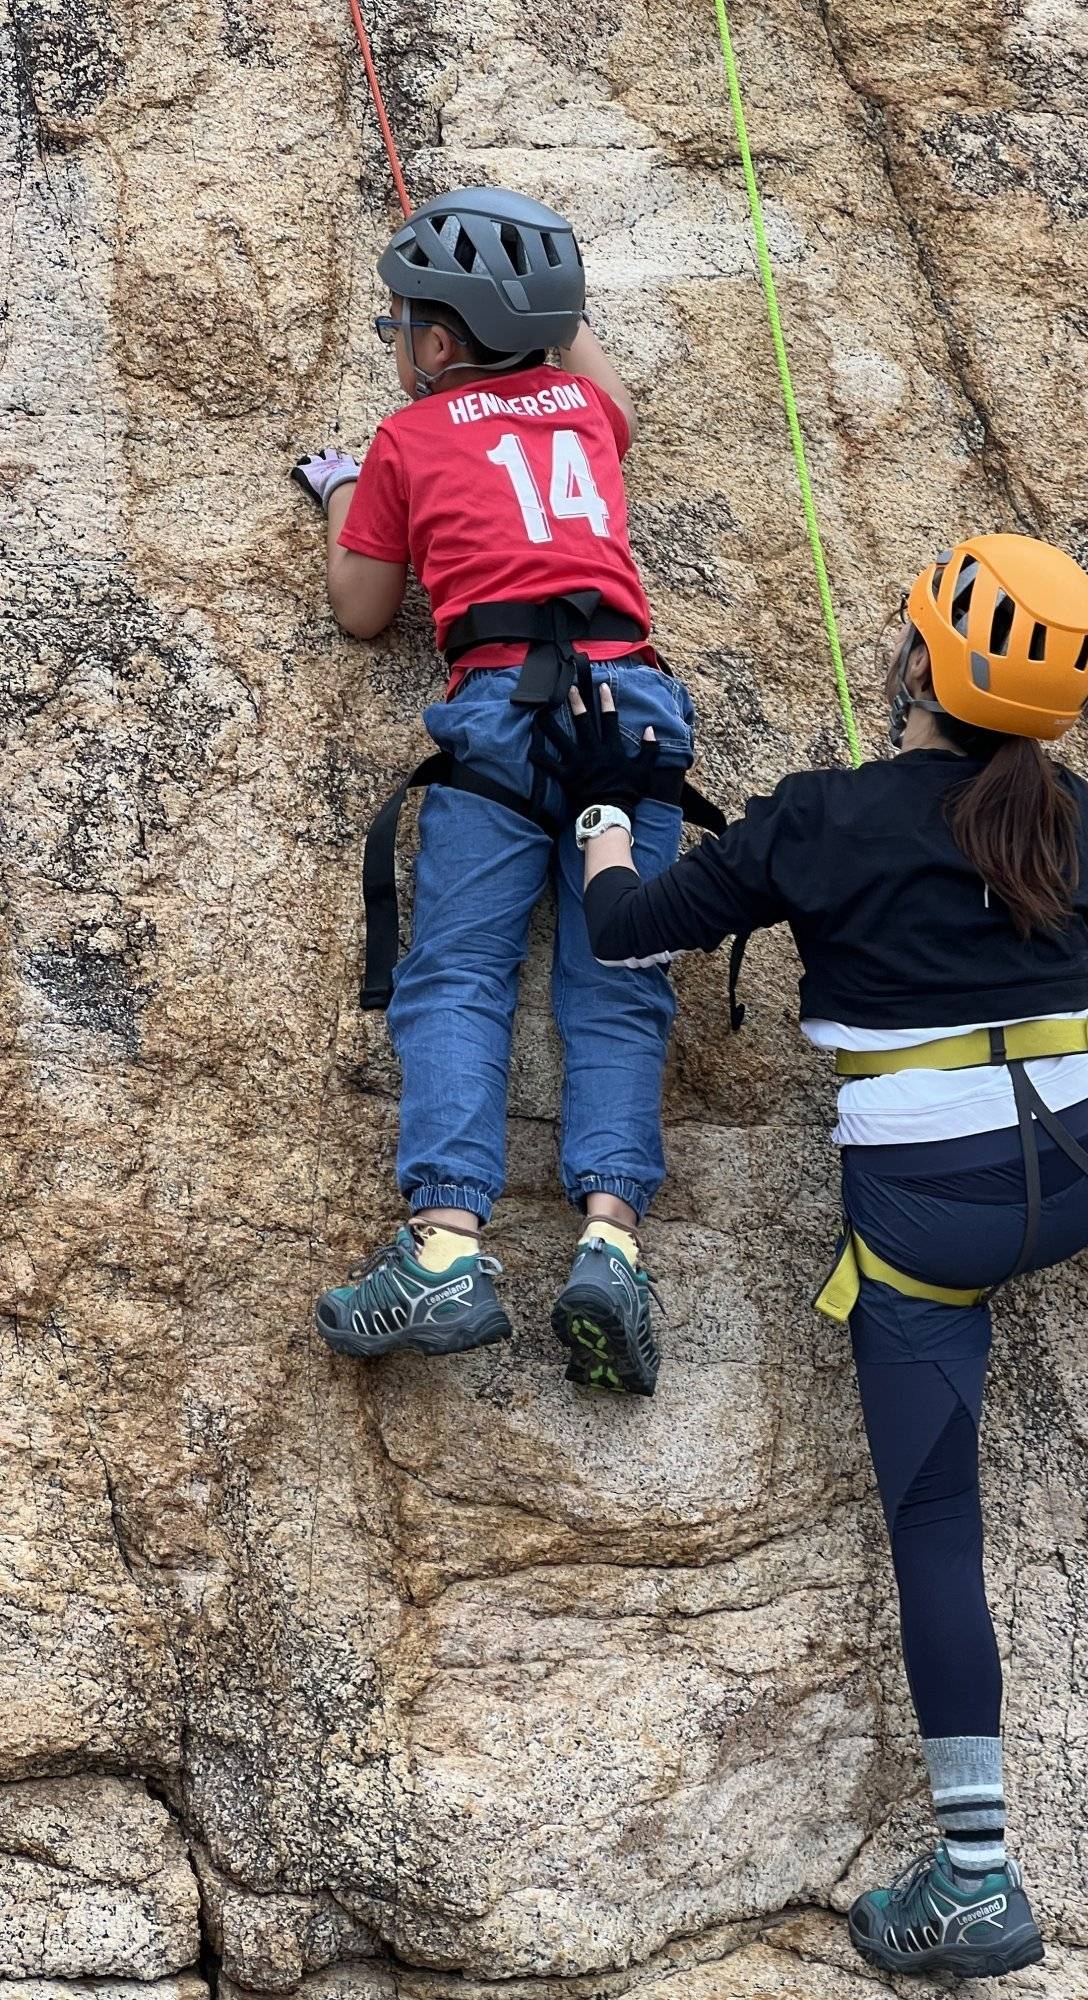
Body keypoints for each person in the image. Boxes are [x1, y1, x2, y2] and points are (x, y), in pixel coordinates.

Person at [544, 532, 1088, 1978]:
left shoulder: (821, 821)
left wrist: (603, 811)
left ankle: (979, 1875)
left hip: (925, 1228)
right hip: (1084, 1184)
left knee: (936, 1528)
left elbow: (630, 932)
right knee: (1076, 1058)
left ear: (917, 661)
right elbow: (1058, 979)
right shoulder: (1082, 824)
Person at [291, 186, 698, 1395]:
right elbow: (610, 392)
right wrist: (552, 313)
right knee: (618, 984)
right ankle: (612, 1244)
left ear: (435, 340)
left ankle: (447, 1249)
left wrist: (343, 497)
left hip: (501, 716)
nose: (400, 338)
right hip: (634, 711)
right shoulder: (587, 409)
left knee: (462, 973)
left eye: (408, 321)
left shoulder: (406, 444)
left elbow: (363, 613)